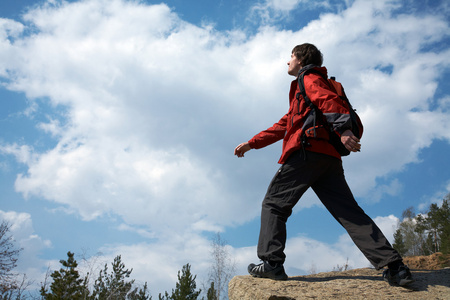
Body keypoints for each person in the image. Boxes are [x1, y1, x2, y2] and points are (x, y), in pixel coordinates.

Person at [234, 43, 413, 286]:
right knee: (349, 213)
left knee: (274, 204)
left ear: (301, 59)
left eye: (290, 57)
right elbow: (284, 124)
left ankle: (271, 263)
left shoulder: (308, 78)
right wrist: (252, 143)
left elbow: (326, 100)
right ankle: (395, 267)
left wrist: (344, 130)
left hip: (306, 153)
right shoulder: (308, 89)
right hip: (329, 159)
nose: (287, 62)